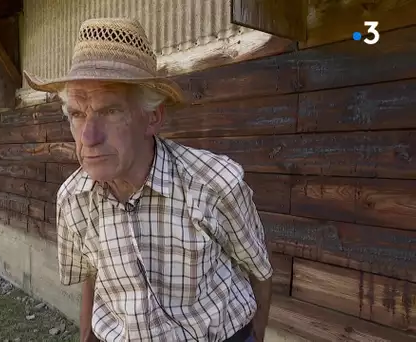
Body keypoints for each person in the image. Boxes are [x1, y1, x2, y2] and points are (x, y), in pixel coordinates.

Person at [23, 17, 273, 342]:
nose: (88, 136)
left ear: (152, 117)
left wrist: (257, 334)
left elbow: (259, 270)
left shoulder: (214, 183)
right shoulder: (73, 198)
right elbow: (92, 276)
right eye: (77, 113)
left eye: (110, 111)